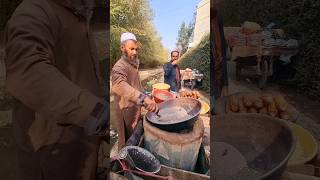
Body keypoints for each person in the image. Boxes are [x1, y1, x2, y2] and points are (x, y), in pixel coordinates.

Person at [4, 0, 108, 179]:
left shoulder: (79, 15)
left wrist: (102, 99)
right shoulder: (35, 10)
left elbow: (86, 72)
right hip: (53, 150)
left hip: (83, 143)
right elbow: (27, 71)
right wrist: (96, 112)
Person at [111, 32, 158, 150]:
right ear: (122, 48)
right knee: (125, 140)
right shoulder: (119, 66)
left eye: (136, 49)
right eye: (131, 49)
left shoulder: (133, 64)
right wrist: (144, 99)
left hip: (136, 107)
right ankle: (122, 164)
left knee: (134, 135)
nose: (135, 52)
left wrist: (147, 95)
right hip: (125, 110)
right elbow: (118, 85)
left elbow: (136, 86)